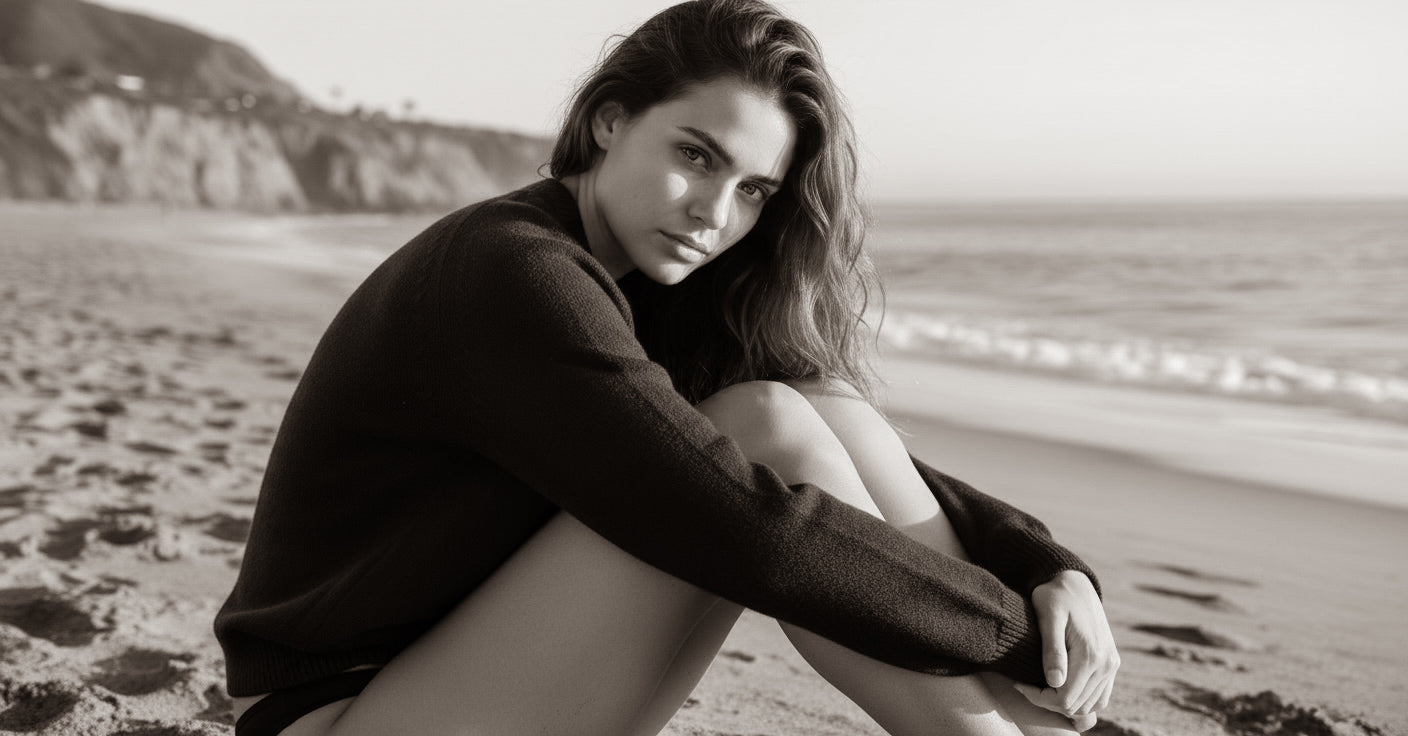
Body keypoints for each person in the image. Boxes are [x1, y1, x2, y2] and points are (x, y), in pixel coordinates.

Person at [214, 1, 1119, 734]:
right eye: (695, 156)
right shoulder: (513, 270)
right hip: (342, 715)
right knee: (763, 430)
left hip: (462, 678)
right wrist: (1012, 636)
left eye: (753, 191)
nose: (715, 215)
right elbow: (751, 529)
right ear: (610, 120)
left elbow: (848, 460)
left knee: (808, 403)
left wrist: (1046, 568)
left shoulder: (641, 288)